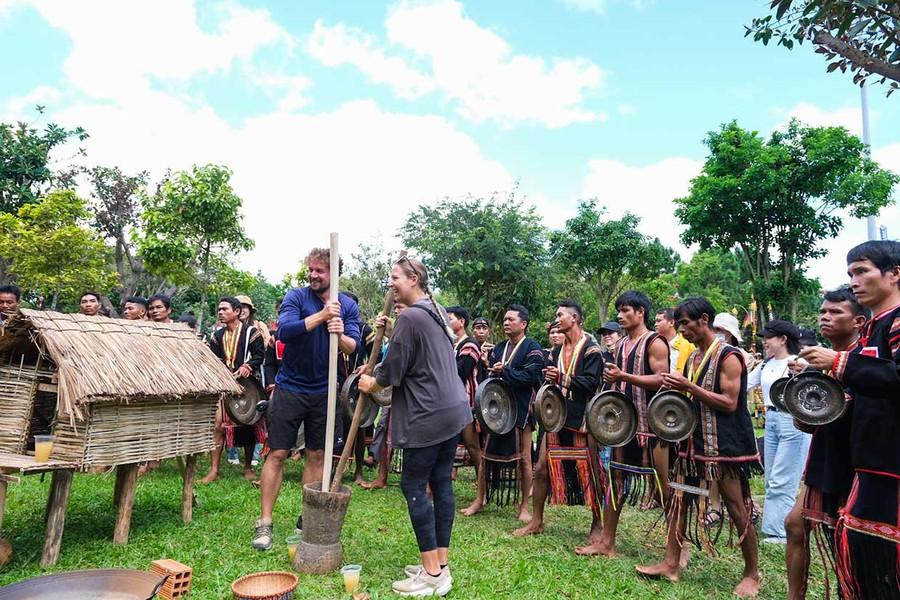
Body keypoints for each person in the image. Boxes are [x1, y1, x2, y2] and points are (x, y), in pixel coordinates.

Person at [358, 256, 471, 597]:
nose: (390, 283)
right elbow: (421, 347)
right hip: (452, 410)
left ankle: (433, 575)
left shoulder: (410, 318)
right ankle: (440, 563)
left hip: (428, 413)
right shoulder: (436, 311)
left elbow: (392, 372)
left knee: (413, 486)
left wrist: (370, 383)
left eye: (395, 278)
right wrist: (393, 329)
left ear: (414, 279)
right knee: (441, 484)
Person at [636, 296, 761, 598]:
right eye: (678, 325)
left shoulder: (730, 356)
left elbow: (730, 403)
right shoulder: (693, 357)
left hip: (726, 445)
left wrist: (689, 387)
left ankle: (752, 574)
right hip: (693, 442)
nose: (682, 331)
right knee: (679, 500)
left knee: (735, 506)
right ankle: (670, 563)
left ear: (704, 320)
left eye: (685, 324)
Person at [799, 240, 900, 600]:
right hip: (868, 462)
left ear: (894, 274)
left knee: (881, 562)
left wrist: (840, 363)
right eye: (850, 274)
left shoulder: (898, 322)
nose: (854, 280)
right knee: (861, 559)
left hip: (891, 466)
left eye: (862, 271)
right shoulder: (873, 328)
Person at [252, 248, 360, 551]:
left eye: (320, 271)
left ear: (334, 274)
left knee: (316, 456)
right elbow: (284, 332)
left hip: (325, 391)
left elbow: (353, 347)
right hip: (290, 387)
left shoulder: (347, 306)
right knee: (277, 452)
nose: (313, 275)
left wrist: (340, 334)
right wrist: (322, 316)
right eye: (310, 269)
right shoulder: (296, 297)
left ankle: (306, 521)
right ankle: (265, 524)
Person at [783, 287, 867, 600]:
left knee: (849, 540)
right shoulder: (817, 364)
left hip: (858, 461)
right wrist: (800, 394)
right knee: (794, 524)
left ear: (858, 321)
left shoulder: (864, 357)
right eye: (822, 312)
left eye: (835, 313)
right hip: (826, 455)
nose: (825, 318)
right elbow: (806, 424)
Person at [514, 300, 604, 551]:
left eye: (560, 315)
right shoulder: (554, 351)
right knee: (541, 468)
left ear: (574, 318)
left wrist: (562, 378)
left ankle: (597, 525)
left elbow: (590, 383)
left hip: (583, 419)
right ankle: (537, 520)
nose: (556, 319)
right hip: (555, 418)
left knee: (593, 473)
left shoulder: (592, 350)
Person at [588, 291, 670, 557]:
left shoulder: (655, 342)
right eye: (619, 311)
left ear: (640, 312)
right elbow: (617, 380)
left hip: (654, 426)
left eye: (626, 311)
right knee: (616, 480)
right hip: (625, 426)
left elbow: (662, 379)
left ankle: (678, 550)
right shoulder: (621, 345)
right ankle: (606, 543)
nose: (620, 316)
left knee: (664, 487)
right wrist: (612, 379)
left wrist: (624, 375)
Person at [465, 304, 543, 520]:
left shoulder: (533, 348)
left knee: (525, 458)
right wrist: (486, 365)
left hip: (521, 408)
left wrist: (505, 370)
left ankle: (524, 507)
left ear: (524, 324)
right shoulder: (499, 347)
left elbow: (530, 377)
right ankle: (479, 500)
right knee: (485, 454)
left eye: (511, 319)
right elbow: (490, 376)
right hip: (497, 410)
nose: (506, 323)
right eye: (505, 320)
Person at [747, 318, 809, 543]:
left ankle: (780, 532)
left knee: (784, 478)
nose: (765, 343)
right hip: (771, 419)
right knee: (771, 476)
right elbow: (745, 384)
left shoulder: (798, 363)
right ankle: (775, 526)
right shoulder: (765, 364)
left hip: (792, 421)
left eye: (768, 338)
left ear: (783, 339)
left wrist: (801, 372)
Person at [201, 297, 267, 483]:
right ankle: (214, 469)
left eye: (224, 309)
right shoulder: (217, 336)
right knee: (218, 426)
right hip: (224, 386)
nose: (220, 312)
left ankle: (247, 467)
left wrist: (248, 366)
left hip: (248, 386)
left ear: (237, 312)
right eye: (219, 310)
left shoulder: (251, 332)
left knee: (248, 424)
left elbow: (260, 355)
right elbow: (214, 360)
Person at [445, 306, 484, 511]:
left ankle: (482, 493)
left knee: (473, 447)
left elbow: (461, 371)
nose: (447, 322)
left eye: (450, 319)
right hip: (451, 402)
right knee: (446, 445)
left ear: (461, 322)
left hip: (467, 403)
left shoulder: (470, 345)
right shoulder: (452, 345)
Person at [656, 307, 696, 374]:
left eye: (659, 321)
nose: (655, 324)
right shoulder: (655, 345)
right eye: (655, 321)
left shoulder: (688, 346)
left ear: (671, 322)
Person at [472, 317, 492, 383]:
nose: (481, 331)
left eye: (484, 328)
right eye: (478, 328)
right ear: (473, 331)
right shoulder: (468, 348)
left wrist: (486, 362)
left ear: (489, 332)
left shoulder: (493, 350)